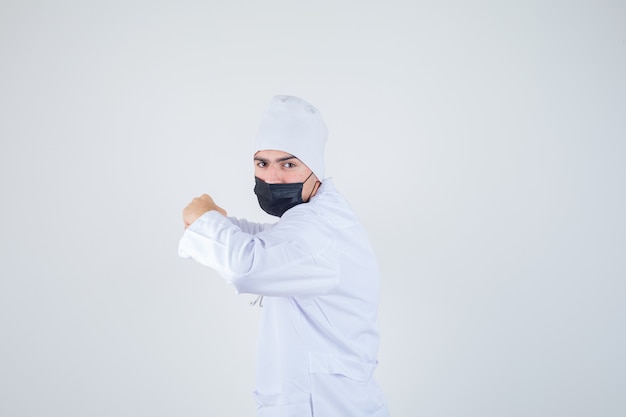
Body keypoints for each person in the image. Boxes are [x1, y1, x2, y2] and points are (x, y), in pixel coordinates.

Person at [179, 95, 389, 417]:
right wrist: (214, 222)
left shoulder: (320, 229)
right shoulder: (315, 217)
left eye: (288, 164)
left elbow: (247, 267)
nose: (272, 178)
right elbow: (270, 240)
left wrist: (206, 218)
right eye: (262, 163)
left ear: (314, 169)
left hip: (328, 406)